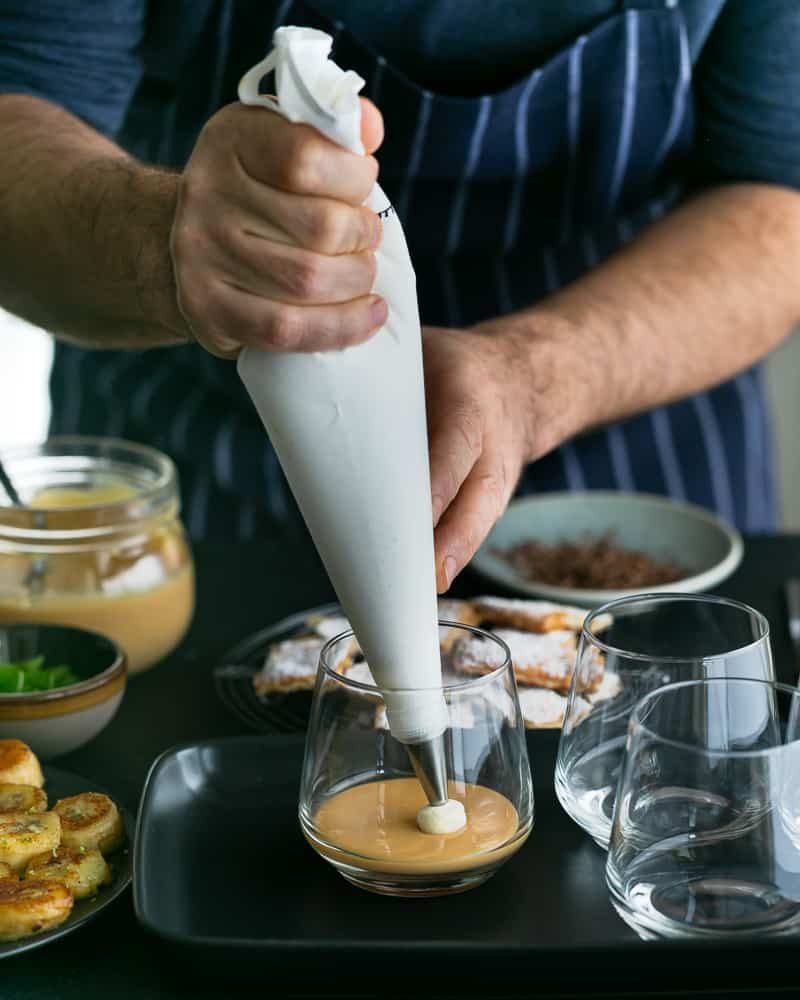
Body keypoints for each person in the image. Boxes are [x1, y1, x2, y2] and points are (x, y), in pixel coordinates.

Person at [0, 1, 798, 593]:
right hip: (208, 484)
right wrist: (166, 242)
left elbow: (780, 195)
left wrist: (533, 378)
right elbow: (18, 107)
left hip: (640, 468)